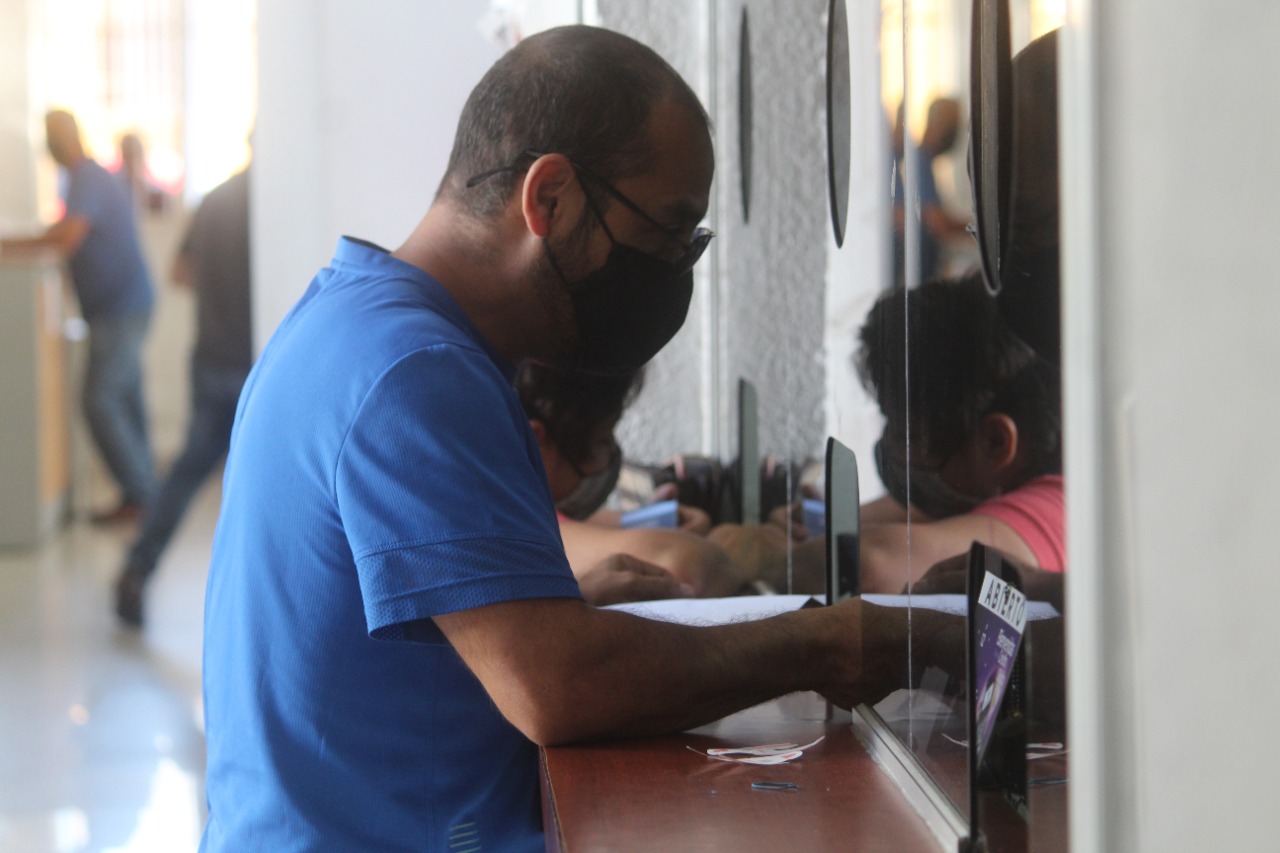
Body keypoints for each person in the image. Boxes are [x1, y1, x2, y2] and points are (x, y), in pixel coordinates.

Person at [200, 26, 904, 852]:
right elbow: (557, 689)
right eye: (668, 232)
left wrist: (554, 607)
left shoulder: (347, 321)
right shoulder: (419, 372)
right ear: (551, 198)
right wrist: (824, 643)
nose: (673, 267)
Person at [709, 272, 1063, 594]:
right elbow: (898, 517)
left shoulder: (1059, 507)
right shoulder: (990, 482)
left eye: (912, 436)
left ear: (995, 442)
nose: (896, 448)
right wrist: (815, 525)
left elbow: (869, 567)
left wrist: (760, 559)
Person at [113, 166, 253, 627]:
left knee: (189, 469)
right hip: (256, 362)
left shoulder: (213, 202)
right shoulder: (277, 200)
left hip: (211, 356)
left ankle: (137, 569)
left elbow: (179, 272)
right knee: (263, 484)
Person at [1, 110, 155, 523]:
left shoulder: (88, 178)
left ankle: (140, 495)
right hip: (122, 304)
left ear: (68, 137)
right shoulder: (84, 178)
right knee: (125, 398)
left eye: (53, 135)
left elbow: (68, 236)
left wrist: (11, 245)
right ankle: (145, 493)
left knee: (101, 400)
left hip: (121, 306)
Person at [515, 359, 750, 599]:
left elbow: (609, 522)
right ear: (536, 441)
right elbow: (686, 564)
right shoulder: (528, 531)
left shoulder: (541, 507)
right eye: (601, 441)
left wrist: (664, 521)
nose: (607, 459)